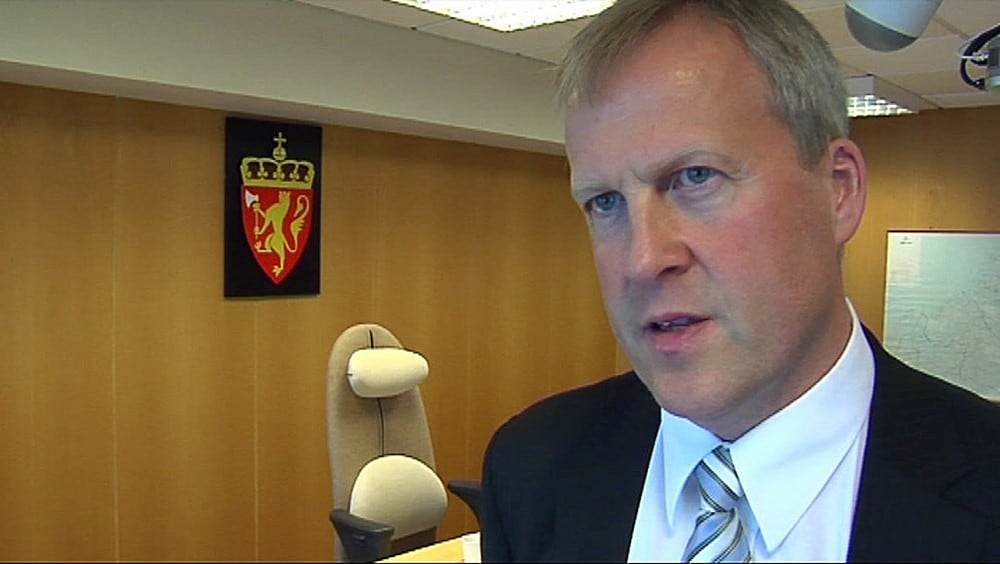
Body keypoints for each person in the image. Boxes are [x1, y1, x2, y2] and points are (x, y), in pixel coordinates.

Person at [478, 0, 1000, 561]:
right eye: (605, 202)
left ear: (838, 190)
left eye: (695, 177)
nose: (643, 259)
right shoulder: (530, 467)